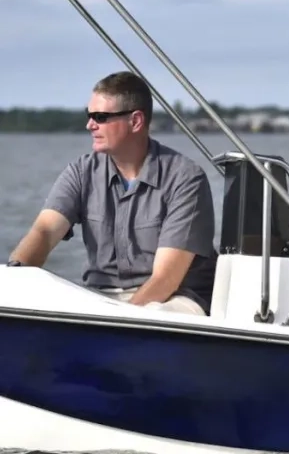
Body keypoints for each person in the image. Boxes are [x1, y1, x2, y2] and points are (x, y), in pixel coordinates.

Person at [7, 71, 218, 316]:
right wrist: (15, 280)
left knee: (158, 314)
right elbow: (44, 232)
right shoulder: (81, 171)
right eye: (89, 116)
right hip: (100, 295)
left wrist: (115, 320)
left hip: (175, 297)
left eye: (101, 117)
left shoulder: (186, 179)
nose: (90, 125)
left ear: (136, 121)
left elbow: (165, 280)